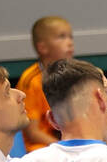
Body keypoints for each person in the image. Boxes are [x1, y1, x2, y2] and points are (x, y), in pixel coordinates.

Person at [16, 16, 74, 152]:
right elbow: (33, 133)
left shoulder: (72, 75)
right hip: (41, 149)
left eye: (70, 37)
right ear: (42, 47)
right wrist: (65, 147)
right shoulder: (31, 81)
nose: (70, 42)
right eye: (62, 37)